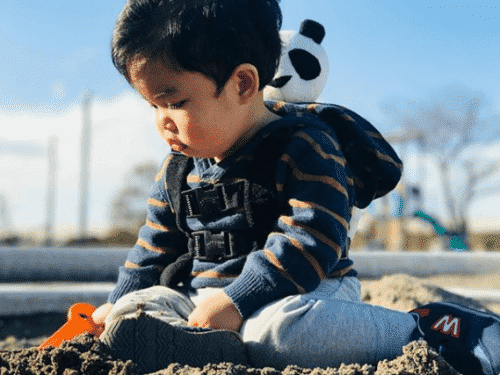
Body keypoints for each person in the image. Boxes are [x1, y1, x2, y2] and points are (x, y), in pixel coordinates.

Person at [92, 1, 500, 374]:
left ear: (242, 84)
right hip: (205, 303)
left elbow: (312, 236)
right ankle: (212, 346)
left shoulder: (304, 146)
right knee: (135, 312)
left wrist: (238, 299)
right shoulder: (177, 171)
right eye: (153, 106)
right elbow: (152, 249)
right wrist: (119, 301)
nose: (162, 121)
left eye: (175, 102)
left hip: (301, 292)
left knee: (278, 335)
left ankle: (426, 331)